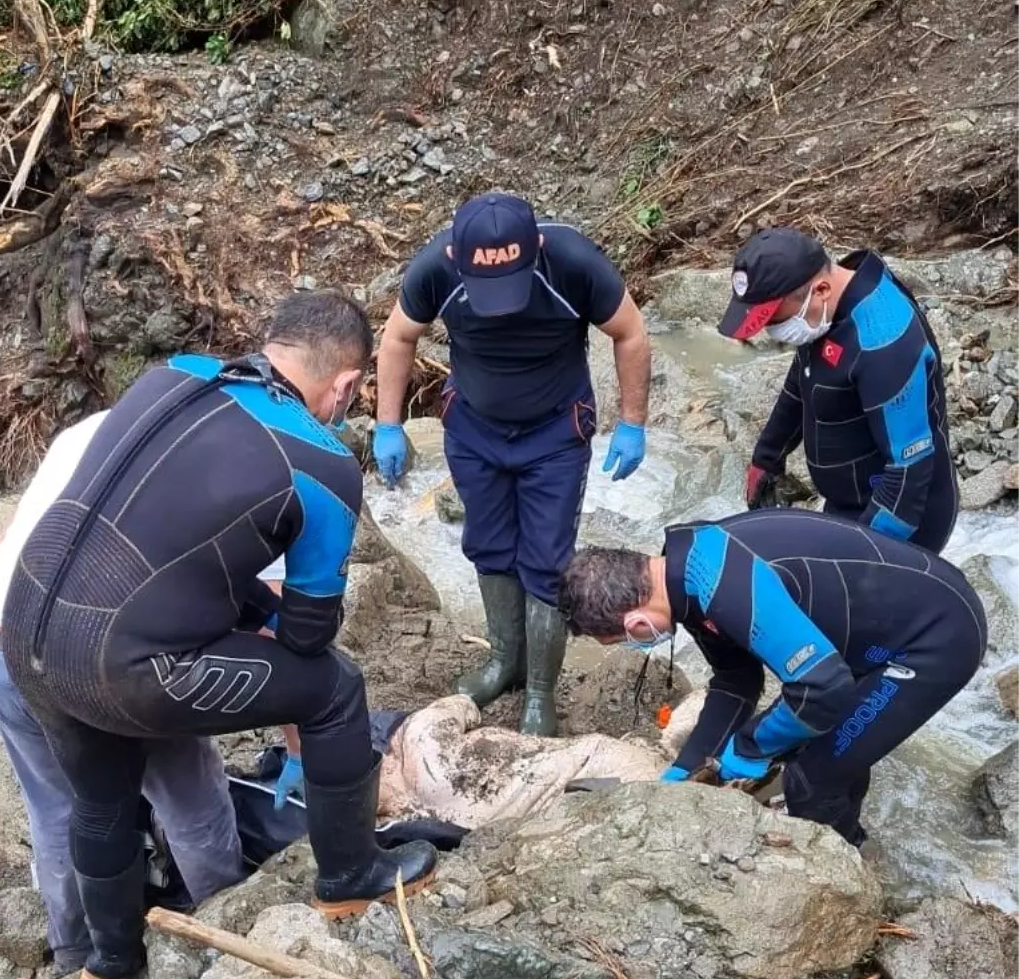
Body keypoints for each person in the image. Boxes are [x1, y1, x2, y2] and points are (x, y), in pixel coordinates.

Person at [2, 291, 436, 979]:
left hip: (27, 632)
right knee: (335, 690)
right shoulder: (323, 464)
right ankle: (353, 874)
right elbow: (307, 636)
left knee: (101, 795)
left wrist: (241, 596)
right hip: (128, 664)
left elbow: (165, 545)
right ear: (347, 385)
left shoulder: (171, 372)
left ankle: (109, 967)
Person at [0, 413, 246, 976]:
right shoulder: (227, 456)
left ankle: (75, 957)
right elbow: (260, 614)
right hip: (89, 653)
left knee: (59, 810)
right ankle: (227, 940)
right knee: (189, 793)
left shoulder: (88, 429)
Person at [373, 192, 651, 734]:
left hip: (553, 432)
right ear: (457, 257)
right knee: (489, 543)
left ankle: (541, 693)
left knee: (547, 561)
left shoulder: (573, 262)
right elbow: (399, 336)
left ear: (538, 247)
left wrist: (633, 422)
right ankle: (504, 661)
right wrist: (389, 423)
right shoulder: (436, 267)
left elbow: (631, 333)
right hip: (475, 427)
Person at [558, 510, 987, 846]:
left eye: (622, 641)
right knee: (828, 751)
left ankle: (850, 879)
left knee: (809, 780)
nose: (635, 645)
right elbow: (734, 681)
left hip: (936, 637)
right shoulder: (683, 579)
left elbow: (822, 687)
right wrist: (686, 770)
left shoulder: (724, 584)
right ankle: (850, 833)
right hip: (876, 634)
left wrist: (749, 746)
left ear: (635, 624)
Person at [719, 226, 958, 551]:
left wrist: (860, 557)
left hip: (905, 521)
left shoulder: (883, 343)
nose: (769, 332)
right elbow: (803, 380)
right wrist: (767, 456)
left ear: (820, 290)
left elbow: (909, 470)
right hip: (847, 502)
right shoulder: (827, 311)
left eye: (774, 320)